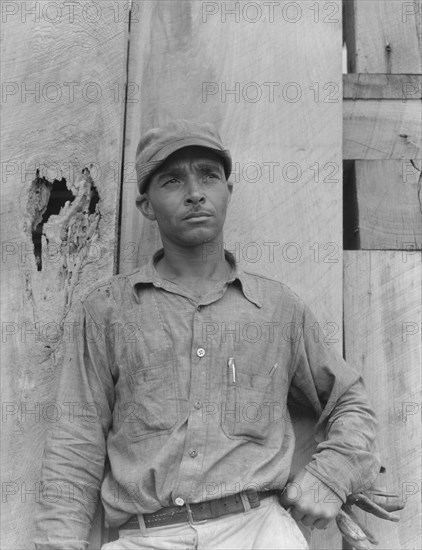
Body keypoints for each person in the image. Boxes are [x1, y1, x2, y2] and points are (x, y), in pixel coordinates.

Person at [34, 120, 381, 550]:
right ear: (146, 205)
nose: (195, 192)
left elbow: (349, 400)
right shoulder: (107, 311)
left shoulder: (277, 308)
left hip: (258, 532)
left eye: (209, 176)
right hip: (147, 536)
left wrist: (332, 475)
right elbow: (76, 440)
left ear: (227, 192)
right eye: (172, 180)